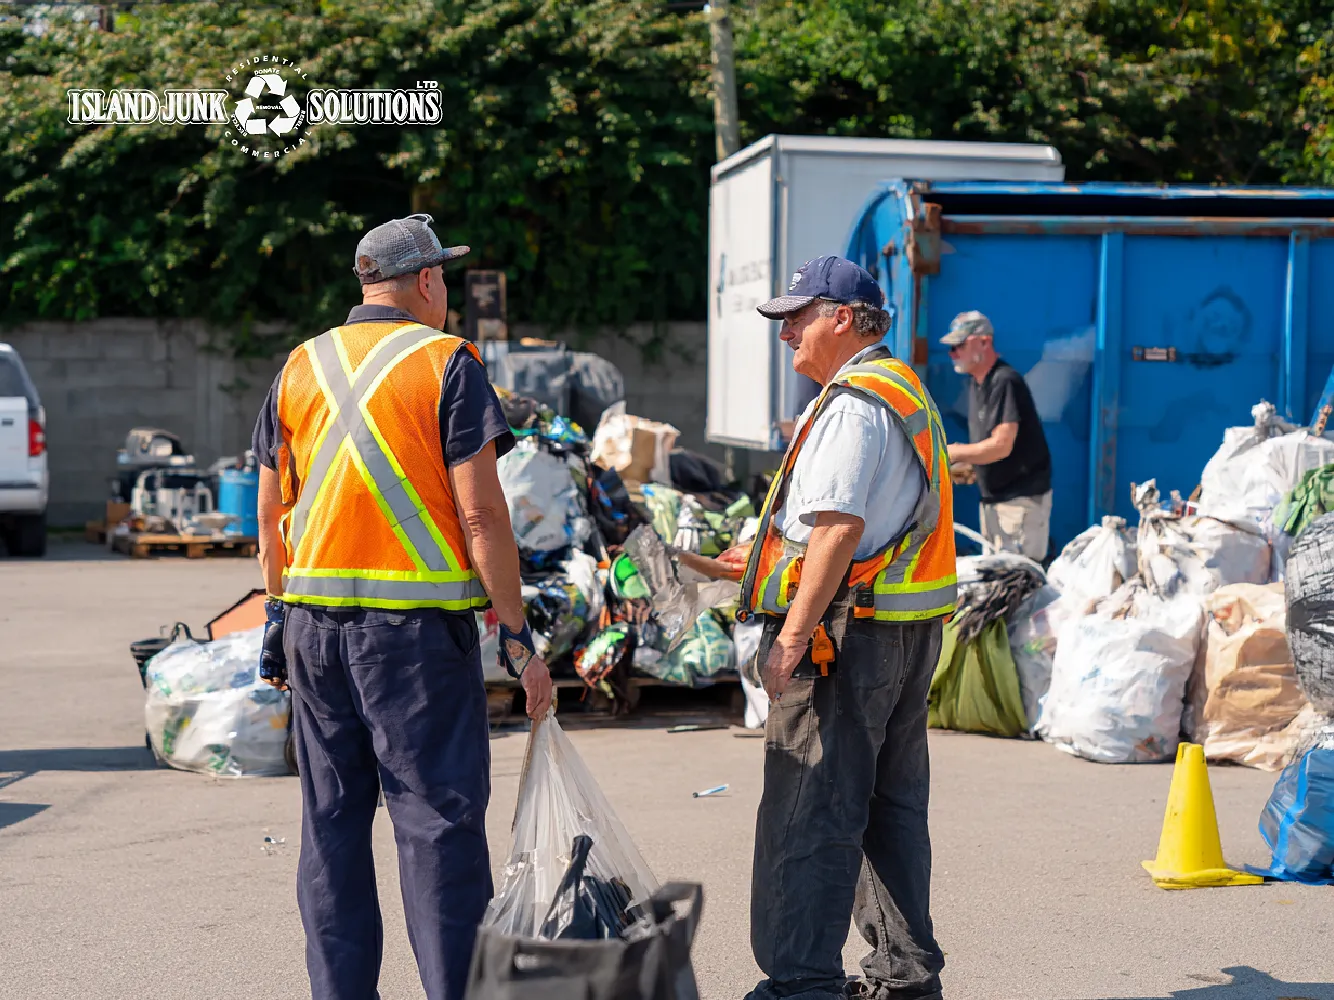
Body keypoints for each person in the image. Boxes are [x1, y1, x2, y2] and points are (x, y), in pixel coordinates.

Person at [250, 213, 552, 1000]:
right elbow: (483, 515)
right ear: (424, 280)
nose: (445, 288)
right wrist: (517, 634)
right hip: (413, 643)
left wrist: (278, 613)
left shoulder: (299, 365)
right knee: (437, 830)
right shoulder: (446, 361)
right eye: (443, 274)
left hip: (314, 633)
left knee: (332, 827)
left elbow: (270, 512)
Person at [740, 255, 956, 1000]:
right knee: (887, 813)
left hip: (844, 637)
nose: (786, 334)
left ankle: (798, 984)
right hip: (897, 629)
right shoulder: (899, 388)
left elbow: (836, 528)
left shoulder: (854, 400)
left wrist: (792, 639)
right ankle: (904, 978)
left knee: (811, 810)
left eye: (796, 317)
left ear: (842, 317)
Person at [941, 310, 1052, 561]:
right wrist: (968, 465)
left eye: (959, 345)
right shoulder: (977, 383)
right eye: (951, 347)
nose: (953, 353)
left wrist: (950, 453)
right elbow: (992, 449)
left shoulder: (1005, 381)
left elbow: (1001, 446)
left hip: (1017, 503)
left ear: (984, 341)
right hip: (995, 502)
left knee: (1019, 585)